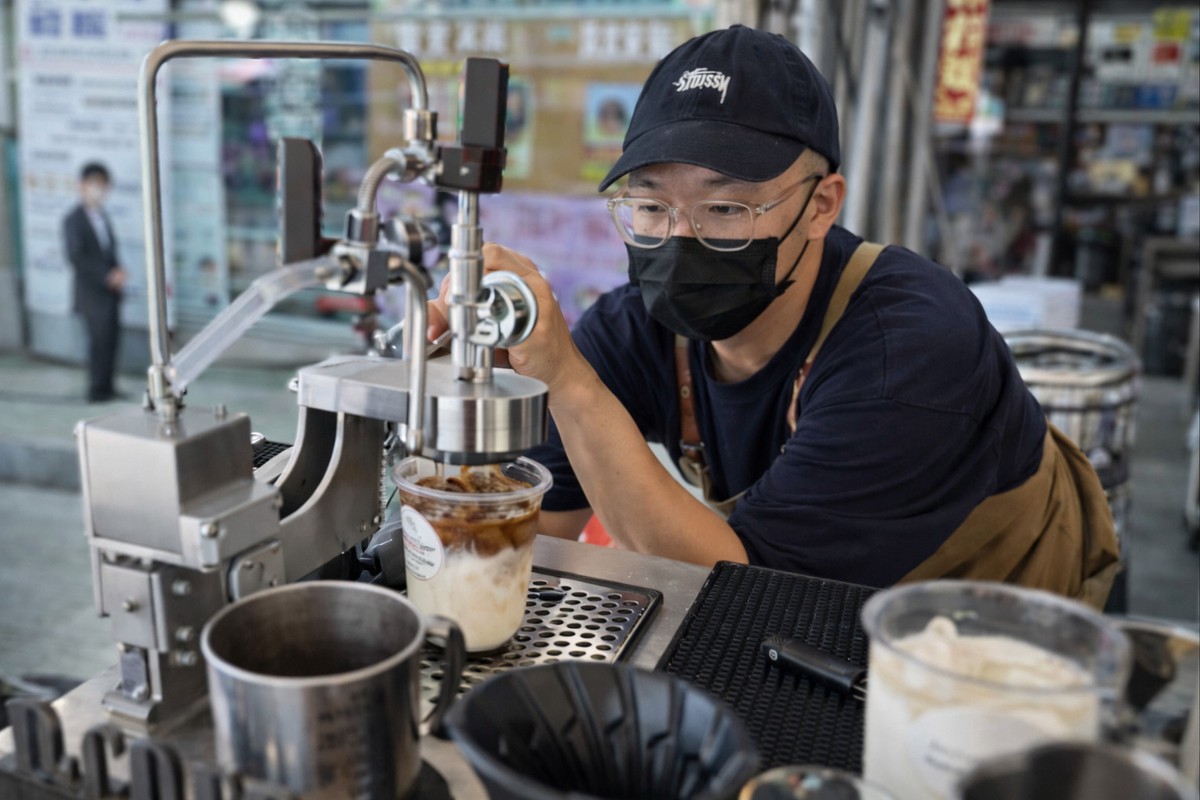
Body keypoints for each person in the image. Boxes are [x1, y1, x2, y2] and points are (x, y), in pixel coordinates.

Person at [429, 26, 1119, 608]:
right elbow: (540, 528)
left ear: (821, 204)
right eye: (650, 205)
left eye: (727, 209)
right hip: (818, 616)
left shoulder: (908, 351)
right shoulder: (636, 328)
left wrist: (570, 385)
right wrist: (492, 390)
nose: (680, 236)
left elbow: (743, 593)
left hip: (989, 625)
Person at [63, 162, 127, 403]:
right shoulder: (73, 220)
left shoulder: (103, 216)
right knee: (98, 342)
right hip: (91, 294)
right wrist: (105, 275)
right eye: (94, 184)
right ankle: (96, 390)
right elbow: (76, 256)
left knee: (111, 340)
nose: (99, 189)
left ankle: (108, 386)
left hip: (111, 293)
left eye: (103, 184)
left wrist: (118, 271)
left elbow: (108, 252)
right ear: (82, 186)